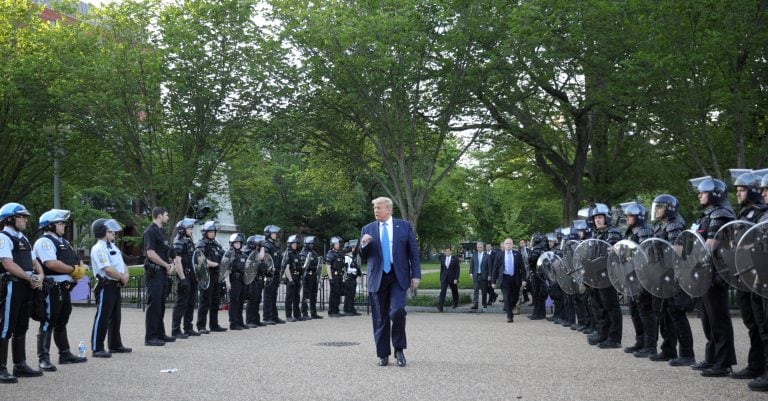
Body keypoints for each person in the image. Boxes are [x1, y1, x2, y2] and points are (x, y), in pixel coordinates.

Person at [360, 197, 421, 367]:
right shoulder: (368, 229)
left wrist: (415, 275)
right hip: (377, 278)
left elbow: (413, 253)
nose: (376, 211)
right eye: (374, 208)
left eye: (379, 208)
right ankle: (383, 354)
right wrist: (364, 244)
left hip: (398, 276)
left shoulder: (404, 226)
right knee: (380, 317)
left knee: (397, 311)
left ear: (388, 209)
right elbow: (363, 256)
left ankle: (399, 349)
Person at [688, 176, 737, 377]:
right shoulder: (707, 215)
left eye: (703, 191)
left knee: (718, 319)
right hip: (705, 272)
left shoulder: (720, 213)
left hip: (716, 273)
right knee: (708, 319)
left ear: (714, 194)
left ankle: (723, 363)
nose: (699, 194)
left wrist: (693, 258)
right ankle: (712, 358)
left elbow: (709, 246)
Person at [32, 209, 88, 372]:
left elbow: (74, 260)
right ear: (50, 225)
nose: (63, 225)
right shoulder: (44, 242)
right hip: (51, 287)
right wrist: (73, 270)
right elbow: (50, 263)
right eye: (60, 223)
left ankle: (64, 354)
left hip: (65, 288)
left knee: (62, 321)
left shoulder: (64, 241)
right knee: (48, 320)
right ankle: (43, 358)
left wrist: (80, 269)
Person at [728, 170, 768, 381]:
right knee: (753, 323)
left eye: (742, 190)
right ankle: (756, 365)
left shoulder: (763, 213)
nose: (738, 194)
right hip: (746, 274)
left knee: (764, 324)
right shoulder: (745, 213)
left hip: (761, 273)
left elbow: (762, 242)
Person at [0, 203, 44, 383]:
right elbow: (8, 263)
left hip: (26, 286)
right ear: (9, 218)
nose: (25, 219)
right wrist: (30, 279)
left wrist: (40, 275)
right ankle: (1, 368)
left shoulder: (23, 238)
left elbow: (34, 261)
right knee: (6, 327)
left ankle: (20, 365)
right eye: (21, 216)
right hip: (13, 285)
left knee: (22, 326)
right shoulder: (3, 237)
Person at [650, 194, 695, 366]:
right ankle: (668, 349)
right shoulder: (663, 225)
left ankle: (687, 354)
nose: (657, 210)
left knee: (677, 313)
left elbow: (676, 252)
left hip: (674, 275)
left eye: (660, 207)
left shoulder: (674, 225)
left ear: (669, 208)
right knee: (666, 313)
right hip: (664, 274)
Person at [89, 218, 131, 358]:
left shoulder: (113, 246)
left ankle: (115, 345)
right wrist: (121, 277)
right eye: (109, 230)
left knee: (115, 317)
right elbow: (107, 269)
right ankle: (97, 347)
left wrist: (125, 274)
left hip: (115, 285)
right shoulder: (98, 248)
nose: (113, 232)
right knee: (102, 317)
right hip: (106, 285)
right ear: (102, 232)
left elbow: (121, 263)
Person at [619, 203, 656, 358]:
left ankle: (650, 345)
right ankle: (640, 341)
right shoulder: (629, 232)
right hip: (631, 275)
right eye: (627, 216)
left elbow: (644, 253)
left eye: (631, 216)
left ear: (639, 217)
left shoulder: (645, 231)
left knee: (645, 311)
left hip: (643, 275)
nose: (628, 218)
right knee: (635, 310)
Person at [586, 204, 623, 349]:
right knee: (598, 305)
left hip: (608, 274)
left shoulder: (613, 232)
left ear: (606, 218)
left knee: (610, 306)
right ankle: (603, 333)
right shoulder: (596, 234)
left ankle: (614, 338)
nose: (597, 220)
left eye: (600, 217)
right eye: (595, 218)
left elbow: (611, 252)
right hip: (596, 275)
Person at [143, 207, 176, 346]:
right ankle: (150, 337)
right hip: (154, 273)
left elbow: (166, 252)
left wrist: (170, 264)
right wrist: (166, 265)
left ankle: (160, 334)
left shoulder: (161, 232)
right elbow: (150, 253)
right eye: (166, 214)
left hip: (162, 273)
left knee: (161, 305)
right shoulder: (150, 231)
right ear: (159, 215)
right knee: (154, 305)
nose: (168, 217)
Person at [196, 221, 227, 333]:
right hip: (206, 275)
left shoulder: (216, 245)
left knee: (215, 301)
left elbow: (223, 257)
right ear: (205, 232)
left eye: (214, 231)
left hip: (216, 275)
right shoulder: (201, 244)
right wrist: (216, 264)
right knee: (205, 301)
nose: (212, 233)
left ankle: (214, 325)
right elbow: (201, 259)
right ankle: (201, 326)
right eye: (210, 231)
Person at [171, 218, 199, 339]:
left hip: (192, 277)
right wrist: (182, 278)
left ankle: (188, 327)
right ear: (182, 230)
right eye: (189, 228)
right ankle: (175, 330)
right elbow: (177, 261)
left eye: (191, 228)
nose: (191, 230)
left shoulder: (189, 242)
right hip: (185, 276)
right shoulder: (179, 242)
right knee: (181, 304)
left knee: (191, 303)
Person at [492, 238, 525, 323]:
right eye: (507, 243)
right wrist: (493, 281)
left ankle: (509, 309)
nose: (508, 245)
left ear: (512, 244)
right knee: (506, 297)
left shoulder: (517, 254)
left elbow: (523, 268)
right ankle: (509, 315)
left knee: (515, 297)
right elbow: (495, 269)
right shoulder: (499, 255)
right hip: (504, 278)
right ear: (504, 245)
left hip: (515, 278)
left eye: (510, 243)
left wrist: (524, 279)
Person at [261, 225, 285, 325]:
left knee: (274, 295)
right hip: (269, 273)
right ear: (268, 234)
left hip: (276, 273)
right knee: (268, 295)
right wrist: (270, 268)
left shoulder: (275, 245)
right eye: (274, 233)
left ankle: (274, 316)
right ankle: (267, 317)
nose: (276, 235)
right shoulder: (266, 245)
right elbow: (265, 258)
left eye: (275, 233)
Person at [225, 233, 248, 330]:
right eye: (236, 243)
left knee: (241, 301)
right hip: (233, 279)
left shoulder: (243, 254)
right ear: (232, 243)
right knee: (234, 302)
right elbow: (225, 267)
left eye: (239, 242)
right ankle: (233, 323)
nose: (238, 244)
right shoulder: (229, 253)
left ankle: (240, 321)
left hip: (242, 279)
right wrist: (227, 281)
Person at [245, 235, 267, 328]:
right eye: (258, 244)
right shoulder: (249, 252)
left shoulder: (255, 252)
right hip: (251, 278)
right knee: (252, 300)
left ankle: (256, 320)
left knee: (257, 299)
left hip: (257, 278)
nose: (260, 246)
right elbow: (260, 257)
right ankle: (250, 320)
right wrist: (262, 247)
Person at [282, 235, 303, 322]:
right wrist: (290, 279)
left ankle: (297, 315)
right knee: (289, 297)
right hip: (291, 276)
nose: (295, 245)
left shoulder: (296, 254)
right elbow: (286, 267)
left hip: (297, 276)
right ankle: (288, 316)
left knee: (296, 297)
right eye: (293, 243)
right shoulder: (288, 253)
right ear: (289, 244)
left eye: (296, 243)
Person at [527, 234, 547, 320]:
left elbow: (531, 259)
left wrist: (529, 255)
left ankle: (538, 313)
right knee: (539, 293)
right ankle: (540, 313)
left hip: (537, 273)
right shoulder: (542, 248)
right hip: (540, 273)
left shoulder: (537, 249)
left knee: (537, 293)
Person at [325, 236, 345, 317]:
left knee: (338, 293)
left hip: (339, 276)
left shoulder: (339, 254)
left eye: (338, 244)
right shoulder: (330, 254)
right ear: (332, 244)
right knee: (333, 294)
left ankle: (336, 310)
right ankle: (331, 311)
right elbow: (328, 266)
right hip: (334, 276)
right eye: (336, 244)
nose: (338, 245)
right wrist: (330, 278)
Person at [437, 246, 460, 312]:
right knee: (442, 292)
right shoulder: (442, 258)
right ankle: (440, 306)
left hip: (453, 278)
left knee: (454, 291)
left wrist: (456, 278)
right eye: (446, 251)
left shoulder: (455, 259)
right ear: (445, 252)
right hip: (444, 278)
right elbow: (442, 269)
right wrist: (441, 278)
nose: (447, 252)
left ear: (451, 251)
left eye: (448, 251)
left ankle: (455, 303)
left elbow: (457, 269)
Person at [469, 242, 490, 310]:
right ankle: (475, 305)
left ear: (483, 247)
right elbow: (471, 265)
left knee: (484, 291)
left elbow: (490, 267)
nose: (479, 248)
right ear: (477, 247)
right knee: (476, 291)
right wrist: (470, 273)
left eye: (481, 247)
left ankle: (484, 304)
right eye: (478, 247)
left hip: (483, 276)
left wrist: (490, 275)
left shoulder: (487, 255)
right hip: (476, 275)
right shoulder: (474, 255)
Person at [342, 241, 362, 316]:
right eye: (352, 248)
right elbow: (346, 269)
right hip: (349, 278)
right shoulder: (347, 258)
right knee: (349, 294)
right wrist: (356, 270)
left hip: (352, 278)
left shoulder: (351, 257)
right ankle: (347, 309)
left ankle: (351, 308)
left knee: (352, 294)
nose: (353, 249)